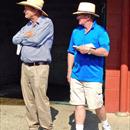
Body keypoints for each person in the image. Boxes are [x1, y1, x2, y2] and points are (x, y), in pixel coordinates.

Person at [67, 2, 111, 130]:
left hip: (93, 77)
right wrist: (69, 71)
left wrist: (90, 50)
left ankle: (105, 124)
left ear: (87, 17)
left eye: (79, 15)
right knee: (78, 105)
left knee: (97, 106)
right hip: (76, 75)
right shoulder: (76, 32)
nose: (77, 18)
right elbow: (71, 52)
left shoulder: (101, 32)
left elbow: (105, 52)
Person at [12, 0, 54, 130]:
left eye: (26, 9)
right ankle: (33, 126)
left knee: (40, 98)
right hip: (25, 66)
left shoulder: (47, 23)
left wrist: (25, 38)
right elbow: (14, 39)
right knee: (28, 98)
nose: (24, 11)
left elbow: (36, 40)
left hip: (39, 67)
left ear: (35, 10)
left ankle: (46, 126)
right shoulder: (27, 26)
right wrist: (27, 35)